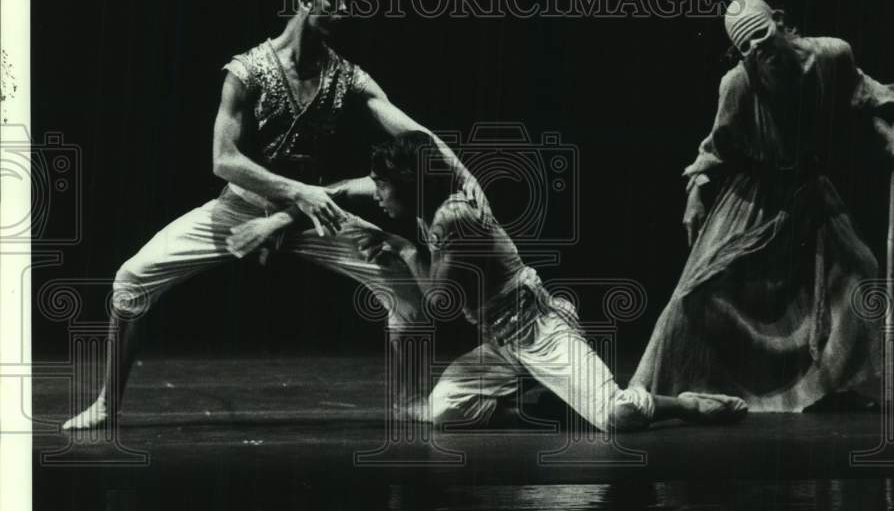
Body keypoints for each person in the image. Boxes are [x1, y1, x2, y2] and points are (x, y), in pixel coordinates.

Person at [63, 0, 448, 430]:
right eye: (335, 1)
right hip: (239, 209)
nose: (345, 10)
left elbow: (408, 129)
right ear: (305, 3)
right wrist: (299, 191)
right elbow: (223, 160)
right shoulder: (247, 71)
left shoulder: (347, 77)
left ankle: (407, 401)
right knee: (130, 279)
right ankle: (107, 404)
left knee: (404, 291)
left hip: (311, 219)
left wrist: (454, 166)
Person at [237, 130, 750, 431]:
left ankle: (684, 404)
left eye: (383, 186)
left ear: (410, 184)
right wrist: (289, 214)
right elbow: (352, 189)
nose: (377, 195)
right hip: (504, 341)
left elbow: (437, 305)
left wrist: (403, 251)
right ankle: (535, 400)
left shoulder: (452, 219)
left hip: (541, 329)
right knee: (441, 410)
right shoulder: (428, 202)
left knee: (614, 417)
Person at [629, 0, 894, 412]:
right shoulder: (738, 83)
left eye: (762, 36)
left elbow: (861, 90)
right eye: (746, 47)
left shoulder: (831, 55)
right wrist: (695, 191)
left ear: (780, 21)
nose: (758, 51)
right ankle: (669, 386)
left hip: (809, 190)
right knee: (700, 290)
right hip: (755, 194)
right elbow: (718, 146)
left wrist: (884, 128)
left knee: (859, 273)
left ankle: (835, 384)